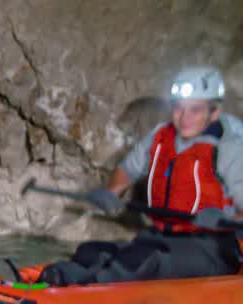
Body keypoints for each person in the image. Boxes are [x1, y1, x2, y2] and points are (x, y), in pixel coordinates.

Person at [39, 65, 243, 286]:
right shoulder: (161, 136)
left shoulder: (230, 148)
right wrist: (111, 192)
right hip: (162, 238)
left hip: (212, 249)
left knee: (145, 261)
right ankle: (55, 279)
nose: (184, 117)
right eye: (178, 109)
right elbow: (127, 170)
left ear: (214, 112)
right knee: (91, 251)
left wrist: (224, 221)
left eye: (195, 110)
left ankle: (76, 291)